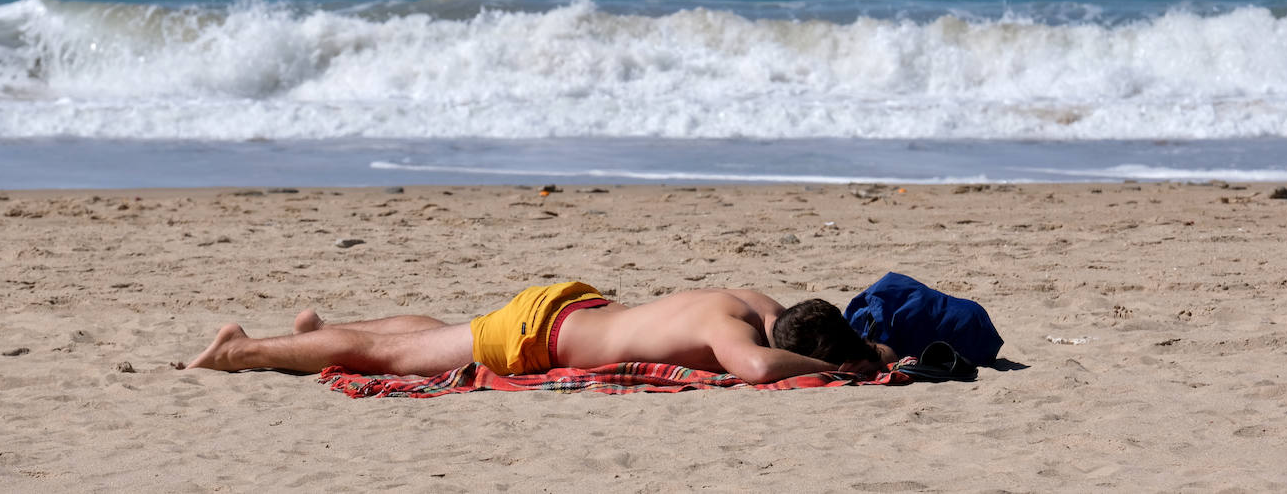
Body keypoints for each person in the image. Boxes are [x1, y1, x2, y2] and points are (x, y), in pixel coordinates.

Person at [186, 281, 894, 385]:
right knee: (397, 356)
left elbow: (781, 332)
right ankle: (239, 350)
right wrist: (845, 370)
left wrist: (874, 347)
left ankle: (317, 329)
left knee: (441, 335)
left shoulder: (744, 300)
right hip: (539, 340)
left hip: (566, 304)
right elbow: (761, 371)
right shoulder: (731, 340)